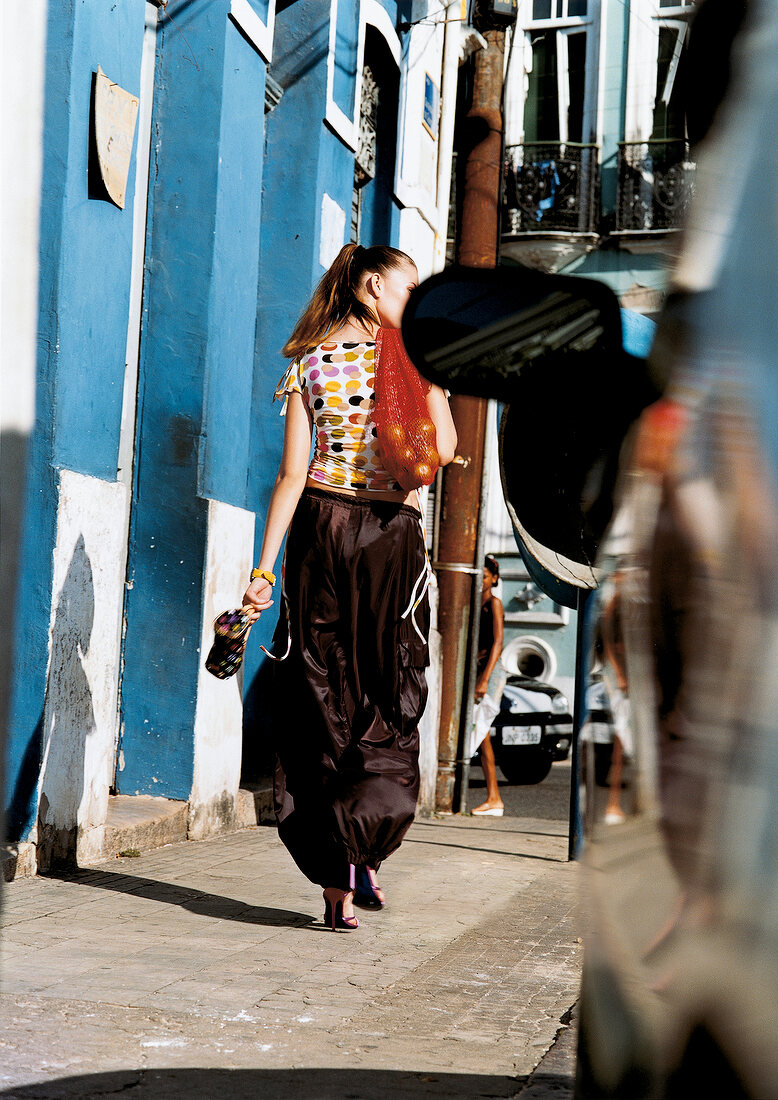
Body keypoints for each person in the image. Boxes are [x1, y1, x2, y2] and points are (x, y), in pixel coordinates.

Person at [242, 244, 457, 931]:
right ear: (371, 288)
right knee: (386, 690)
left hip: (319, 530)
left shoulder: (306, 363)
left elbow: (290, 476)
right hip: (390, 535)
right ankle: (365, 844)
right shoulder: (415, 357)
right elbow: (442, 453)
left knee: (318, 691)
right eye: (408, 289)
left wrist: (262, 571)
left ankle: (335, 878)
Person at [471, 555, 505, 817]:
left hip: (490, 674)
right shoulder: (474, 602)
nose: (480, 581)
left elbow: (497, 643)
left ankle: (495, 797)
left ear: (493, 578)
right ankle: (493, 797)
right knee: (482, 736)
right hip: (477, 671)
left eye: (484, 576)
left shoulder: (494, 603)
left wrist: (484, 680)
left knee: (482, 731)